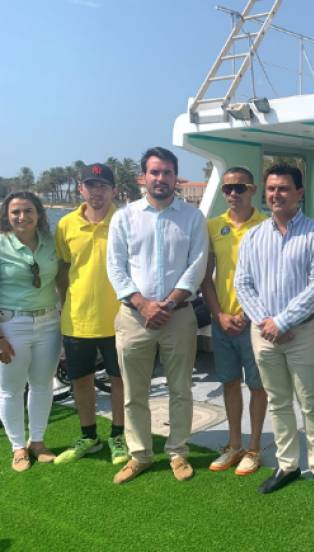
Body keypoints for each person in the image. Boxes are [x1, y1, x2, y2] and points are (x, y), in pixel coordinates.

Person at [106, 147, 209, 484]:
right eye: (154, 172)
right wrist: (143, 304)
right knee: (135, 392)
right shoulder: (125, 217)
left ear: (175, 177)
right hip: (135, 318)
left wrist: (166, 304)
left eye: (166, 172)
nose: (161, 178)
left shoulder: (193, 218)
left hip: (178, 317)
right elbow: (115, 268)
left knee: (181, 388)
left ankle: (178, 451)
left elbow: (197, 266)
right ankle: (140, 454)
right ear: (143, 177)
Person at [234, 164, 314, 497]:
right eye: (271, 189)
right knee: (278, 401)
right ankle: (288, 464)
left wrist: (283, 321)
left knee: (311, 402)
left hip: (302, 333)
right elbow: (243, 283)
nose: (276, 194)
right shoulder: (253, 236)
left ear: (299, 193)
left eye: (283, 189)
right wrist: (267, 321)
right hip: (263, 333)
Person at [53, 163, 127, 465]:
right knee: (81, 380)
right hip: (77, 318)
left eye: (103, 186)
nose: (97, 192)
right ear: (81, 189)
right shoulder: (66, 225)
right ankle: (89, 435)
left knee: (120, 380)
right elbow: (62, 269)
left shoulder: (124, 221)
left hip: (120, 318)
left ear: (113, 190)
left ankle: (119, 435)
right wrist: (67, 302)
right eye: (91, 185)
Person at [200, 167, 267, 476]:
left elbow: (272, 280)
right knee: (229, 382)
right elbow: (206, 278)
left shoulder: (267, 225)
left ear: (252, 190)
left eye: (239, 188)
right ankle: (234, 443)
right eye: (227, 189)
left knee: (257, 386)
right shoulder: (213, 226)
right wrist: (220, 315)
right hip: (222, 320)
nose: (232, 194)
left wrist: (247, 314)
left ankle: (254, 448)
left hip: (254, 323)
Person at [0, 191, 60, 471]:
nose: (21, 217)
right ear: (7, 216)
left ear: (38, 214)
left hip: (49, 323)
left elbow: (62, 280)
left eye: (27, 211)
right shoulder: (1, 244)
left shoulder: (50, 243)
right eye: (15, 212)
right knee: (11, 390)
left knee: (42, 384)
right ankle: (18, 447)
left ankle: (37, 441)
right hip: (12, 325)